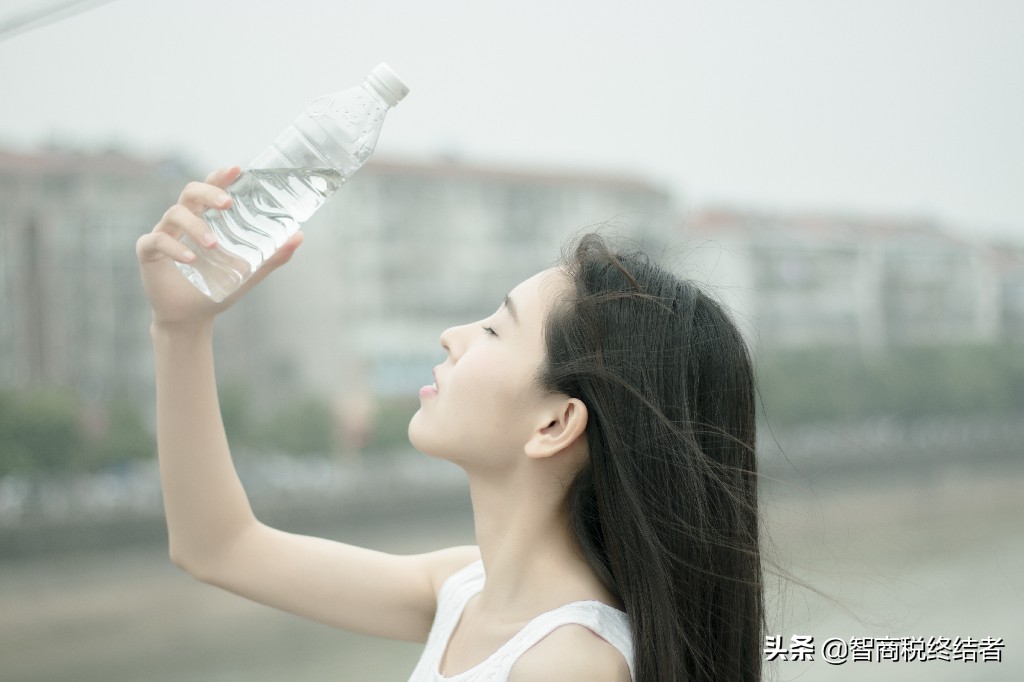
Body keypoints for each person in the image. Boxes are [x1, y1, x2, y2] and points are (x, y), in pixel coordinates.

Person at [136, 166, 765, 682]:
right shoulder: (464, 590)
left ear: (555, 423)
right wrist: (182, 326)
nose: (452, 335)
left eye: (495, 328)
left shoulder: (570, 663)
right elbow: (216, 547)